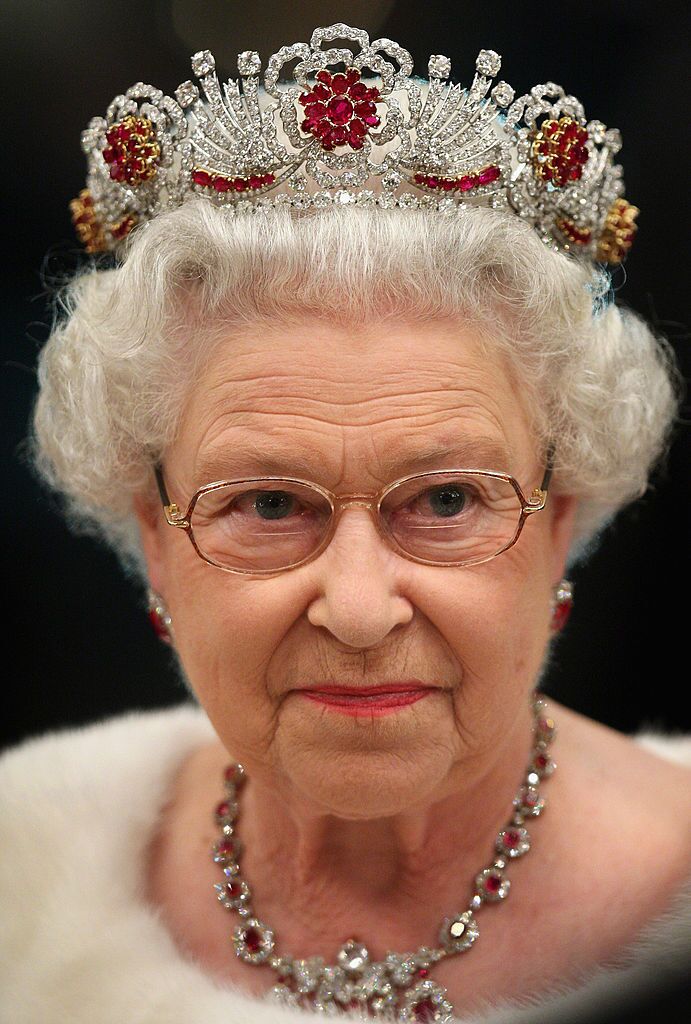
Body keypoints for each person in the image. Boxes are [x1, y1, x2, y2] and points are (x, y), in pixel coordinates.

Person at [1, 22, 689, 1024]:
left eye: (446, 500)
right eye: (268, 505)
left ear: (560, 521)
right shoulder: (23, 863)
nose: (359, 610)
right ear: (153, 534)